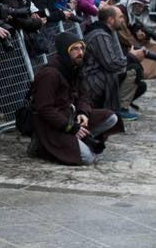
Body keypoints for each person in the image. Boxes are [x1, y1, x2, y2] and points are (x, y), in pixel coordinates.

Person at [30, 31, 119, 165]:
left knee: (111, 118)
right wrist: (70, 127)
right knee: (87, 158)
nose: (80, 53)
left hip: (71, 117)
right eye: (75, 49)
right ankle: (42, 146)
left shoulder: (74, 68)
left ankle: (77, 139)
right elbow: (44, 109)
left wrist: (83, 112)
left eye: (82, 48)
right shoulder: (49, 74)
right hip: (52, 125)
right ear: (65, 51)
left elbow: (84, 96)